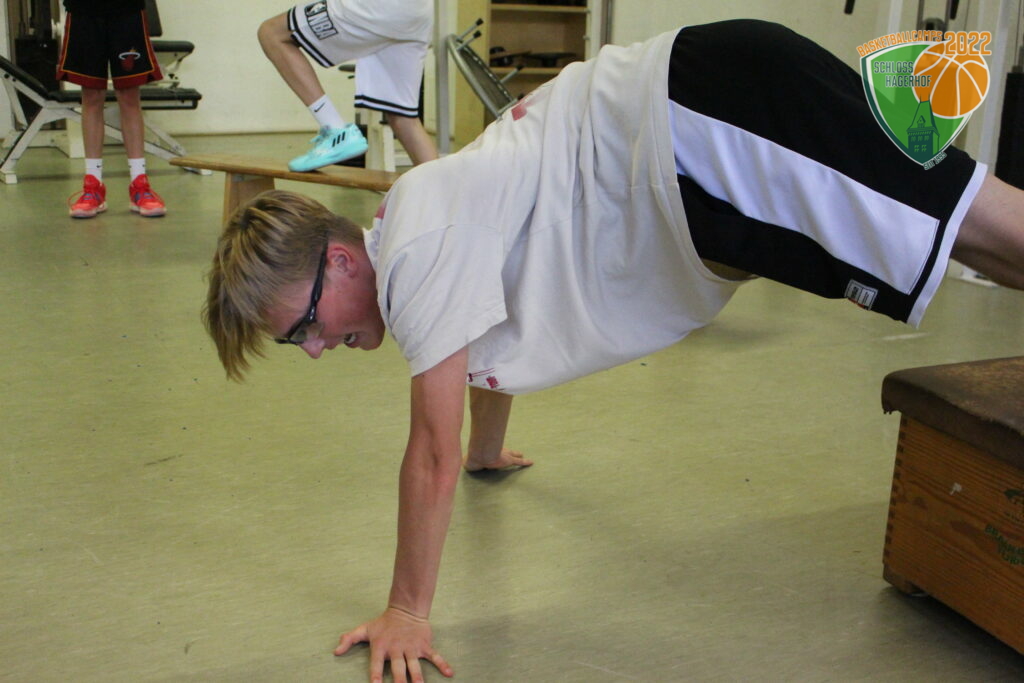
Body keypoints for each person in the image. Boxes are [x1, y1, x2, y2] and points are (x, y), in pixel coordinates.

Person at [203, 20, 1024, 683]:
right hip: (697, 173)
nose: (315, 350)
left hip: (705, 116)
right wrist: (488, 447)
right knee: (960, 248)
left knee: (983, 229)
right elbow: (484, 327)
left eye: (302, 327)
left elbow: (429, 453)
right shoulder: (422, 237)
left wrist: (407, 611)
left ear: (340, 262)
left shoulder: (412, 248)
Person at [257, 0, 438, 172]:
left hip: (380, 8)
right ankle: (442, 189)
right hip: (417, 14)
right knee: (403, 116)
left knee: (272, 33)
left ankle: (335, 130)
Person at [58, 0, 166, 219]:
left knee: (129, 96)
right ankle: (93, 186)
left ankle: (139, 185)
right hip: (84, 12)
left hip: (127, 10)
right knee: (91, 95)